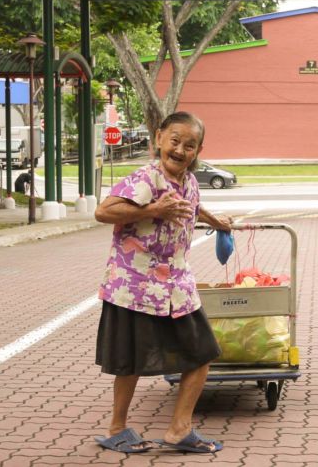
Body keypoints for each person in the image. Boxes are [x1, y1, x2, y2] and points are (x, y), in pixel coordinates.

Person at [93, 111, 231, 455]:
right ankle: (117, 428)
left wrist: (219, 221)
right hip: (134, 285)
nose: (181, 150)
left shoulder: (190, 181)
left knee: (202, 353)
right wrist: (152, 210)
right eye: (175, 141)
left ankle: (179, 429)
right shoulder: (144, 178)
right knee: (130, 360)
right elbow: (103, 211)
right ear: (158, 138)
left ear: (198, 150)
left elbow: (192, 208)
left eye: (190, 145)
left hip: (176, 286)